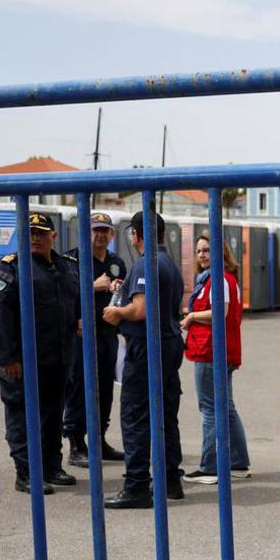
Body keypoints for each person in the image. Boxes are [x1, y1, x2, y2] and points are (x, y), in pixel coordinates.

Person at [0, 211, 79, 494]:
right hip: (23, 361)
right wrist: (7, 358)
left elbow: (75, 301)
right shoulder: (10, 267)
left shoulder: (67, 266)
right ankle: (26, 473)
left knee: (52, 415)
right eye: (30, 233)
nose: (35, 238)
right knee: (22, 415)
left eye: (41, 233)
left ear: (54, 236)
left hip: (58, 357)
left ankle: (51, 465)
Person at [102, 210, 185, 509]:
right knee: (164, 414)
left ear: (135, 235)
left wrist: (116, 312)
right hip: (169, 344)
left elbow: (140, 310)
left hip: (148, 347)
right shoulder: (169, 264)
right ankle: (171, 480)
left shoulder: (145, 262)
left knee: (135, 415)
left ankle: (137, 485)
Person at [180, 233, 250, 484]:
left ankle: (210, 467)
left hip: (212, 350)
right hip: (220, 349)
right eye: (199, 251)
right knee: (226, 407)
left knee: (209, 408)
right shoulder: (218, 278)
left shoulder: (218, 278)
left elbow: (221, 311)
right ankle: (238, 462)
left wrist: (191, 317)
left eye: (207, 250)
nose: (202, 255)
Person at [62, 210, 126, 467]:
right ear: (87, 233)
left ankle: (99, 441)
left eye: (104, 230)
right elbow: (61, 295)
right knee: (79, 389)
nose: (100, 235)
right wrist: (92, 286)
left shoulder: (116, 262)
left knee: (105, 391)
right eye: (95, 230)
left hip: (108, 336)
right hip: (81, 336)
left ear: (111, 235)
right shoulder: (71, 260)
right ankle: (76, 444)